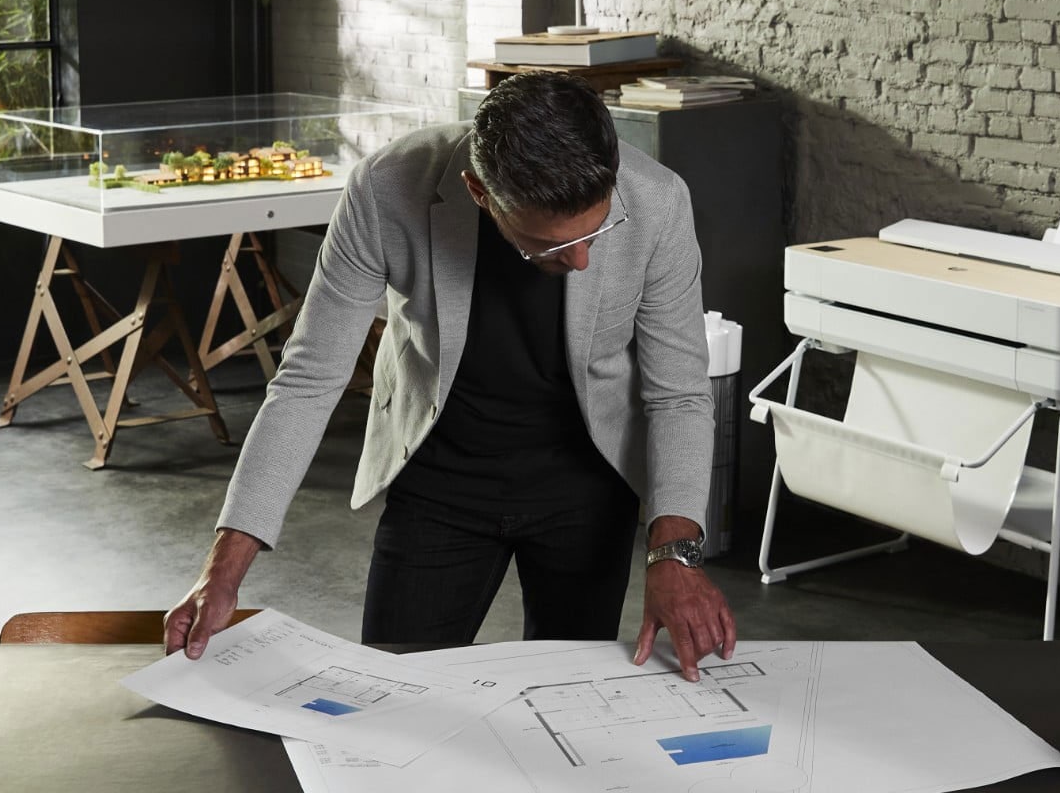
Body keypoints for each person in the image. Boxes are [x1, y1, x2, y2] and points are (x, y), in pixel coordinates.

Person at [163, 72, 738, 680]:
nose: (581, 260)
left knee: (565, 697)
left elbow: (677, 393)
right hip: (440, 482)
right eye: (548, 245)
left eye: (597, 231)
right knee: (393, 688)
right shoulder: (386, 189)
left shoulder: (659, 202)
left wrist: (674, 553)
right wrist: (221, 572)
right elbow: (309, 378)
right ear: (479, 193)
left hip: (587, 489)